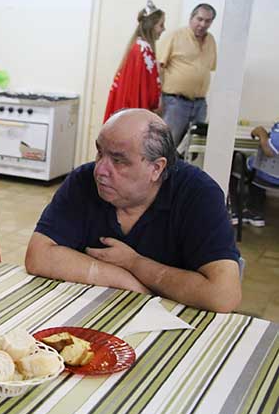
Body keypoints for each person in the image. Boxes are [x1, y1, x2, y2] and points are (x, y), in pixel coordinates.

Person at [25, 109, 241, 313]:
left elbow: (222, 295)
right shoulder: (83, 181)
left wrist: (134, 263)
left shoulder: (198, 194)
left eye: (118, 161)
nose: (100, 170)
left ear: (156, 168)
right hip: (98, 312)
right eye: (100, 153)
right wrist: (125, 280)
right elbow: (39, 256)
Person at [158, 3, 217, 146]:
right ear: (191, 18)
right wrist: (158, 97)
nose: (203, 24)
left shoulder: (211, 40)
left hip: (200, 104)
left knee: (191, 148)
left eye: (207, 21)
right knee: (167, 145)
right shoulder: (175, 36)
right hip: (175, 102)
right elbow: (159, 67)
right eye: (200, 19)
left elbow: (209, 68)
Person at [104, 0, 165, 122]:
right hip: (137, 111)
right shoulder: (144, 51)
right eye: (161, 25)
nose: (163, 29)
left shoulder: (137, 47)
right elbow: (150, 92)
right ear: (151, 27)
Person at [231, 123, 279, 227]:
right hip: (270, 175)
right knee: (257, 166)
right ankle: (255, 211)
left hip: (267, 176)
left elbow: (269, 150)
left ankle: (234, 210)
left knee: (235, 161)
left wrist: (260, 131)